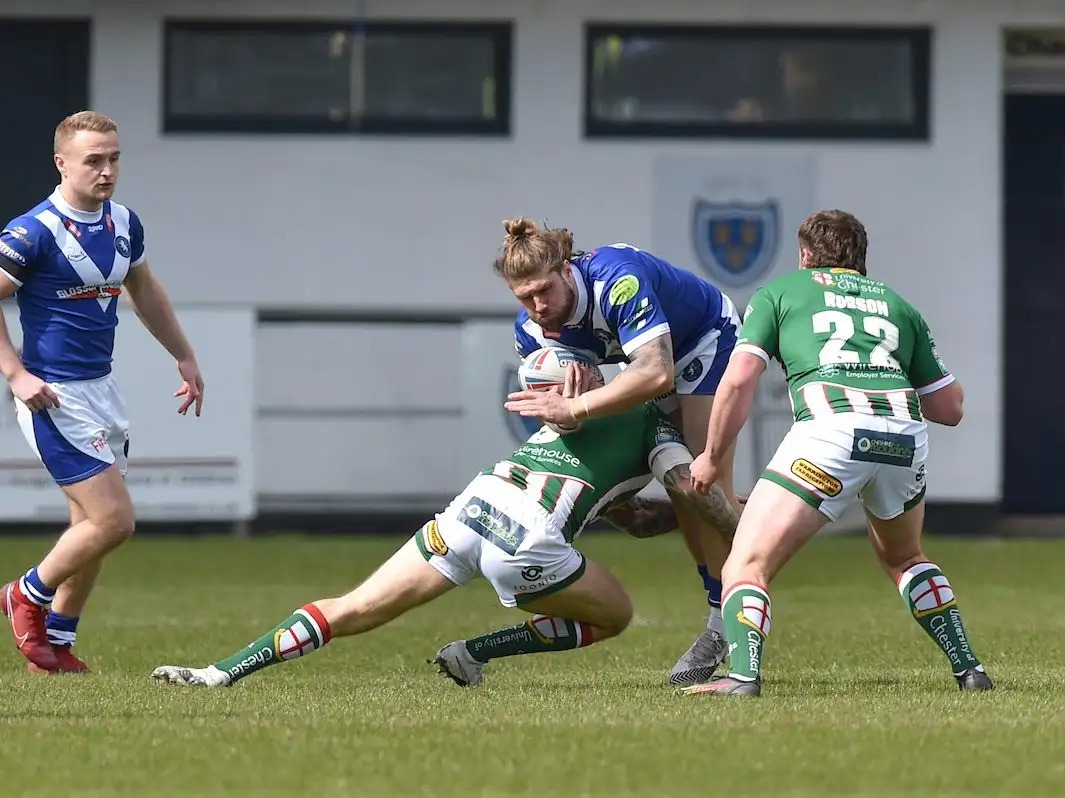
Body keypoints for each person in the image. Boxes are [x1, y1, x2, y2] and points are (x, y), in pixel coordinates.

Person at [150, 360, 737, 689]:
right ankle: (475, 651)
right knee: (614, 617)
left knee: (354, 607)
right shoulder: (660, 431)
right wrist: (743, 519)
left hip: (473, 506)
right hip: (527, 538)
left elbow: (632, 518)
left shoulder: (585, 398)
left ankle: (218, 673)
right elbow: (691, 493)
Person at [682, 209, 993, 697]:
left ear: (805, 254)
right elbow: (950, 408)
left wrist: (712, 457)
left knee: (744, 564)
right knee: (906, 557)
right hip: (904, 436)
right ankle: (969, 668)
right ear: (861, 259)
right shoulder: (899, 305)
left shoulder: (780, 292)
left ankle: (742, 677)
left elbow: (740, 378)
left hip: (830, 431)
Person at [0, 110, 205, 674]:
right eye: (94, 160)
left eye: (114, 158)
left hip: (102, 389)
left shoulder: (123, 223)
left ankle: (55, 645)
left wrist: (183, 354)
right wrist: (16, 374)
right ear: (62, 163)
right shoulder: (32, 231)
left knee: (88, 527)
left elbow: (144, 288)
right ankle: (25, 595)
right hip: (53, 397)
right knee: (113, 521)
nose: (107, 170)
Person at [496, 217, 741, 686]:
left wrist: (580, 404)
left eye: (544, 290)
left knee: (703, 485)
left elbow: (655, 374)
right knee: (676, 506)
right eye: (524, 297)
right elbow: (569, 403)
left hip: (705, 341)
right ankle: (770, 518)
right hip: (646, 364)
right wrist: (577, 399)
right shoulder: (532, 330)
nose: (538, 306)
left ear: (567, 271)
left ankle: (720, 625)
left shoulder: (617, 280)